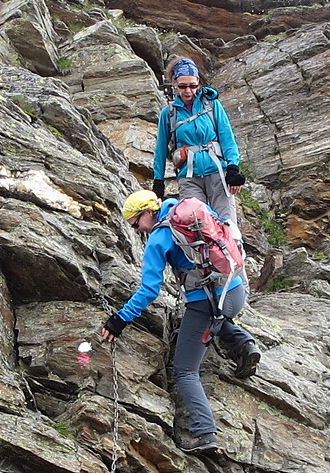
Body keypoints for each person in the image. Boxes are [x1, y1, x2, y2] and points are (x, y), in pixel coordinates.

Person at [99, 189, 258, 453]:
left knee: (184, 370)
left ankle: (204, 434)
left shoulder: (158, 239)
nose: (138, 230)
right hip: (235, 290)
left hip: (207, 303)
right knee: (207, 322)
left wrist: (119, 320)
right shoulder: (189, 207)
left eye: (137, 223)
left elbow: (149, 290)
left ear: (148, 212)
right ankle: (242, 344)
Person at [153, 59, 244, 229]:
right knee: (197, 228)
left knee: (228, 225)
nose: (188, 91)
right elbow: (160, 149)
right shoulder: (169, 113)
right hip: (189, 177)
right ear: (174, 83)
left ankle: (234, 254)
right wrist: (158, 180)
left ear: (198, 83)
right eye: (182, 86)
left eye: (193, 86)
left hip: (218, 171)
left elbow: (227, 138)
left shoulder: (212, 105)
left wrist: (233, 168)